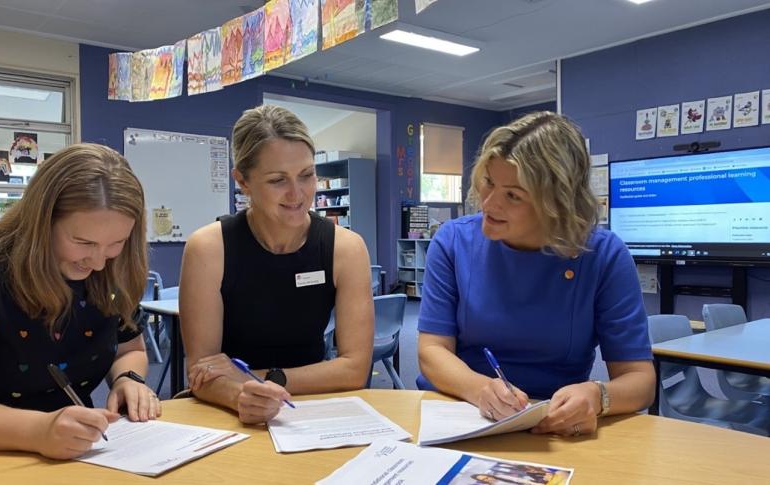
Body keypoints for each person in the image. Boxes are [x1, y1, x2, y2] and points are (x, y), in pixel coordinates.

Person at [0, 143, 160, 458]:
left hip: (67, 452)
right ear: (41, 222)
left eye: (117, 243)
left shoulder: (109, 272)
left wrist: (128, 378)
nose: (97, 262)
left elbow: (129, 348)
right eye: (82, 242)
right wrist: (38, 430)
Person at [417, 111, 655, 437]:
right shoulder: (453, 241)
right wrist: (479, 389)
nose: (489, 203)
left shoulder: (603, 255)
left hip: (553, 424)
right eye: (488, 182)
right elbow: (432, 351)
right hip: (459, 411)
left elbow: (639, 378)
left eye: (513, 195)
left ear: (556, 203)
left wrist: (598, 396)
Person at [180, 104, 374, 424]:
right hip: (229, 411)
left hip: (312, 411)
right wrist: (241, 397)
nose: (297, 194)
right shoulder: (208, 249)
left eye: (307, 175)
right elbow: (203, 372)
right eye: (277, 180)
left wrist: (261, 379)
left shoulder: (346, 249)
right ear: (242, 180)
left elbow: (354, 368)